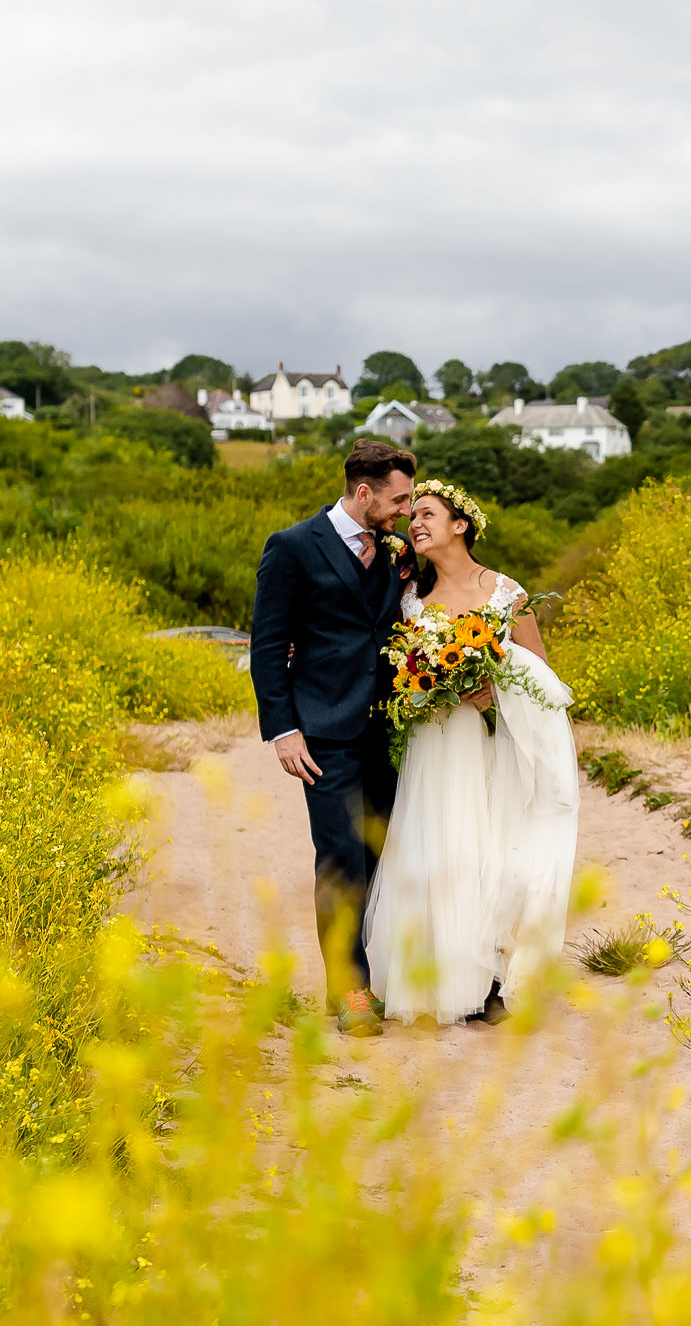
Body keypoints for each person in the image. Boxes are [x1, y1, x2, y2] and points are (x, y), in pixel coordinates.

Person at [362, 479, 579, 1028]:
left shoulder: (507, 593)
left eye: (428, 514)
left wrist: (495, 687)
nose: (415, 524)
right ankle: (444, 980)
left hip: (494, 743)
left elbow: (544, 676)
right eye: (412, 518)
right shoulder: (410, 599)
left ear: (462, 525)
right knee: (440, 853)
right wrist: (424, 682)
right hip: (435, 743)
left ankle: (496, 983)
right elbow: (391, 667)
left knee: (498, 852)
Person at [248, 440, 415, 1037]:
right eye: (398, 499)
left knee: (378, 856)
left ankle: (364, 976)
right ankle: (350, 987)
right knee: (341, 858)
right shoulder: (292, 548)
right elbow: (267, 644)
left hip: (391, 730)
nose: (405, 510)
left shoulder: (397, 552)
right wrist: (283, 729)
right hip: (322, 733)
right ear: (363, 492)